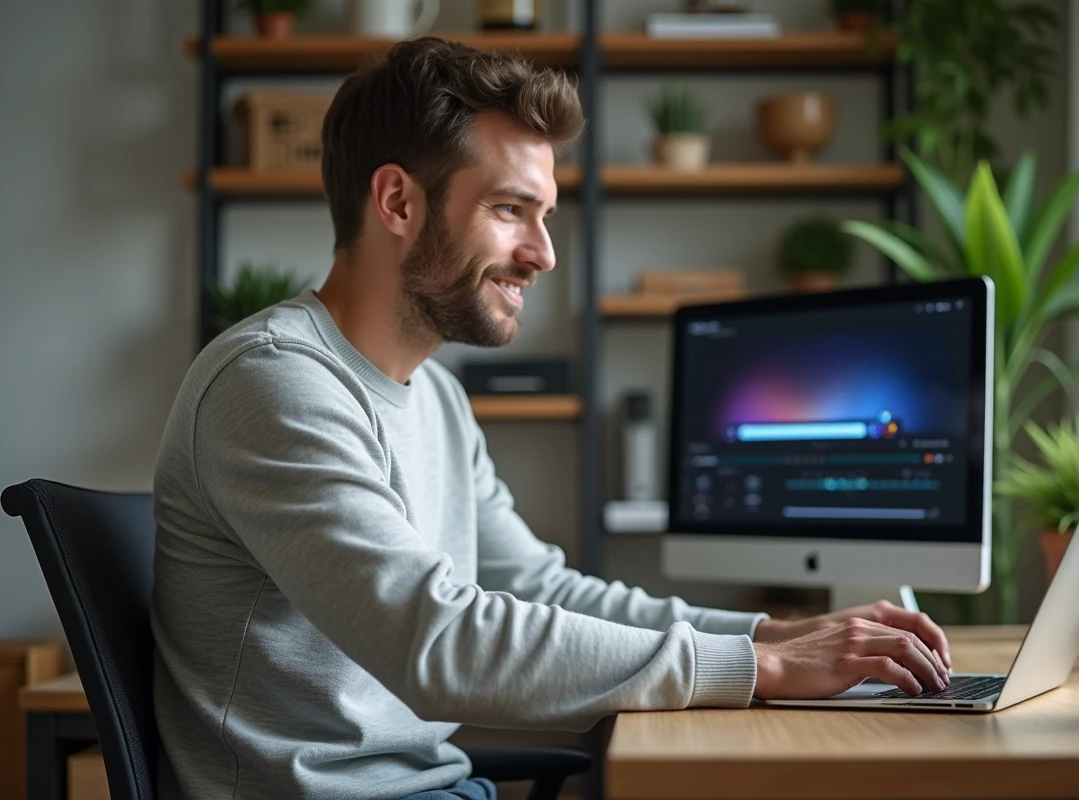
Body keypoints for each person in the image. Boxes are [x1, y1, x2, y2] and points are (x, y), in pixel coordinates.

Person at [151, 37, 953, 800]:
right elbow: (437, 641)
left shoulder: (434, 396)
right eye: (510, 209)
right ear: (397, 201)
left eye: (545, 216)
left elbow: (539, 588)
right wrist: (756, 670)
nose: (545, 254)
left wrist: (772, 636)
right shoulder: (276, 381)